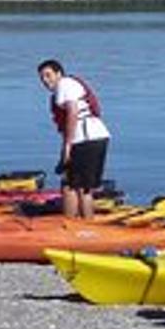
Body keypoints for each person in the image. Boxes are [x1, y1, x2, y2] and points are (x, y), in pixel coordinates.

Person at [38, 58, 110, 220]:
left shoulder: (64, 85)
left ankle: (75, 228)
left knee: (72, 186)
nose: (45, 80)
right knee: (79, 186)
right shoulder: (67, 86)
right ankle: (83, 225)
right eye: (42, 77)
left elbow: (72, 112)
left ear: (59, 74)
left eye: (48, 75)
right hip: (94, 136)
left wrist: (68, 145)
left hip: (85, 138)